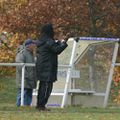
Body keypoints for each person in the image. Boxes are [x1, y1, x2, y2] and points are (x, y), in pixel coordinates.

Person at [36, 23, 69, 111]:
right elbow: (57, 50)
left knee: (42, 87)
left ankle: (39, 105)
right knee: (47, 87)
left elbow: (53, 47)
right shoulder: (48, 41)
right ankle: (41, 106)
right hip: (47, 67)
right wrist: (64, 41)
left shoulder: (42, 40)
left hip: (42, 67)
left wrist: (59, 41)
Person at [15, 39, 37, 107]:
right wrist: (26, 75)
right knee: (22, 93)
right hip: (24, 79)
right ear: (29, 45)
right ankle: (19, 107)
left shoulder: (32, 54)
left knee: (29, 94)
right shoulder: (22, 53)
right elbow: (19, 65)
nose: (35, 46)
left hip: (30, 79)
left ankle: (27, 107)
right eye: (33, 44)